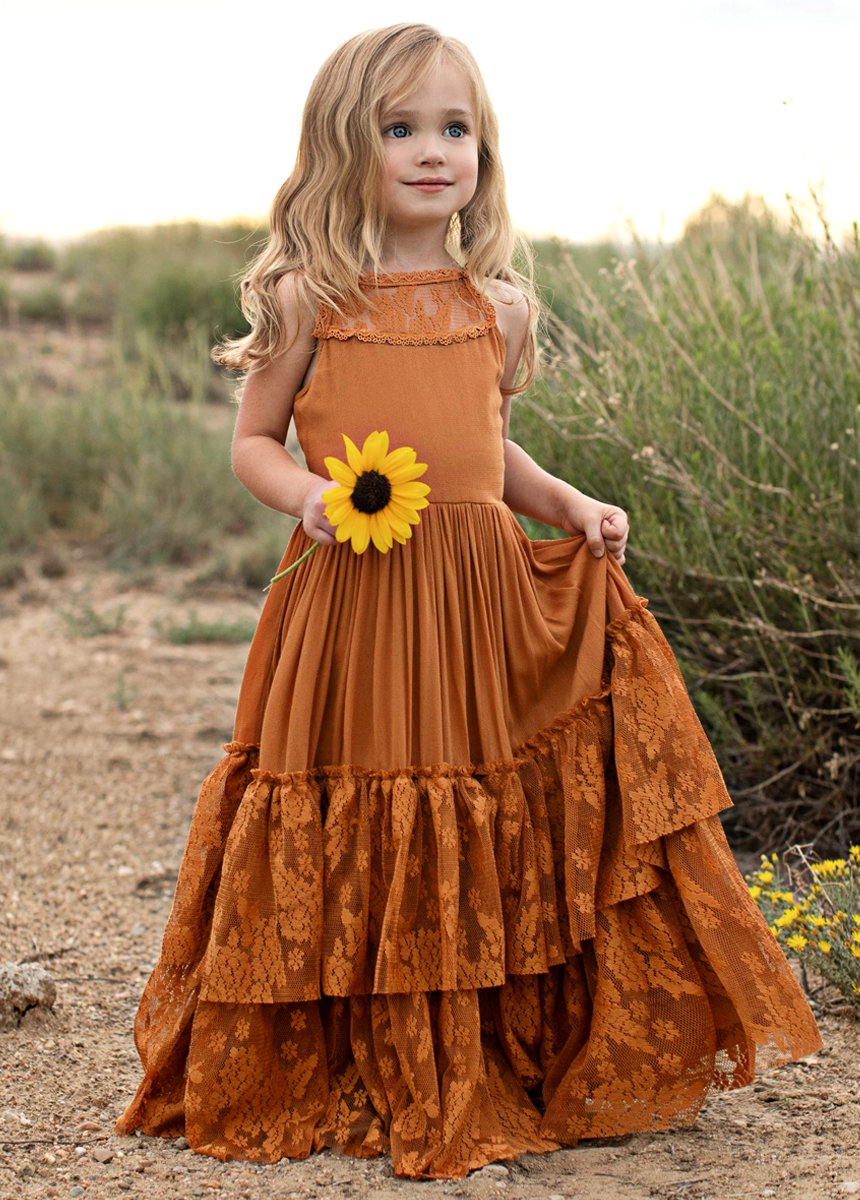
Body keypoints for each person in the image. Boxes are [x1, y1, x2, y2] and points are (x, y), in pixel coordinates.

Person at [115, 23, 821, 1180]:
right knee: (365, 795)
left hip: (477, 600)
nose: (433, 152)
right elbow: (251, 444)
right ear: (346, 148)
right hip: (354, 597)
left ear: (483, 153)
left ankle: (490, 1052)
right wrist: (305, 498)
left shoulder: (495, 307)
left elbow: (492, 457)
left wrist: (571, 502)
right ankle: (363, 1051)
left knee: (478, 804)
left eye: (457, 130)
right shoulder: (312, 296)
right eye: (400, 130)